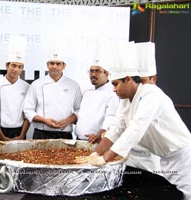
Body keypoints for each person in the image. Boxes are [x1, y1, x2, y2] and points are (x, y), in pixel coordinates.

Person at [76, 41, 191, 199]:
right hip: (165, 158)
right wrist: (94, 155)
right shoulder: (125, 100)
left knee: (185, 195)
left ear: (128, 79)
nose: (114, 89)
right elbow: (115, 130)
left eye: (116, 84)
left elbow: (135, 129)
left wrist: (104, 159)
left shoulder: (151, 94)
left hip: (182, 158)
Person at [24, 48, 82, 139]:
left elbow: (80, 110)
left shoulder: (74, 85)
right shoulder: (37, 84)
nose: (54, 66)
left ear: (64, 66)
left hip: (65, 134)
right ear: (47, 65)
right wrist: (44, 120)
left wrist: (68, 120)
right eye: (52, 63)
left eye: (58, 64)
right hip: (41, 133)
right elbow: (27, 110)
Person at [125, 41, 161, 173]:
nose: (139, 86)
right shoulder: (127, 97)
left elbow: (137, 128)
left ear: (154, 79)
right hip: (130, 155)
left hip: (150, 157)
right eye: (137, 81)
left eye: (143, 81)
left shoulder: (154, 96)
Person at [0, 36, 30, 141]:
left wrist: (22, 135)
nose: (16, 70)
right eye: (13, 65)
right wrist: (1, 136)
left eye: (20, 67)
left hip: (19, 131)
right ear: (7, 65)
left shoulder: (27, 87)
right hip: (0, 131)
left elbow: (27, 115)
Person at [75, 57, 119, 143]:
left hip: (97, 142)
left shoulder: (112, 92)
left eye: (97, 71)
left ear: (107, 73)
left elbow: (111, 116)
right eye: (91, 71)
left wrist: (100, 134)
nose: (93, 74)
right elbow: (81, 114)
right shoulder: (87, 91)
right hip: (78, 140)